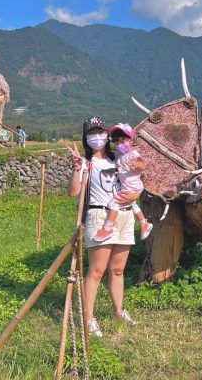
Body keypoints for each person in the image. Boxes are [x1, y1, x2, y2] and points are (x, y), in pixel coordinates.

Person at [66, 116, 142, 337]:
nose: (97, 137)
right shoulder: (86, 163)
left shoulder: (118, 159)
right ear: (85, 137)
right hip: (99, 215)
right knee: (96, 271)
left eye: (100, 132)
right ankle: (88, 318)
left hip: (124, 215)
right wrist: (76, 168)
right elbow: (73, 192)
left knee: (118, 270)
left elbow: (133, 181)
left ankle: (119, 311)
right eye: (92, 133)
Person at [94, 123, 153, 241]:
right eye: (116, 143)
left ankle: (107, 228)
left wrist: (137, 166)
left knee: (114, 203)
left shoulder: (133, 154)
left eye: (122, 142)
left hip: (132, 186)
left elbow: (143, 165)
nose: (119, 145)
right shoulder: (119, 154)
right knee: (132, 204)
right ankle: (143, 222)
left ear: (131, 140)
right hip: (127, 186)